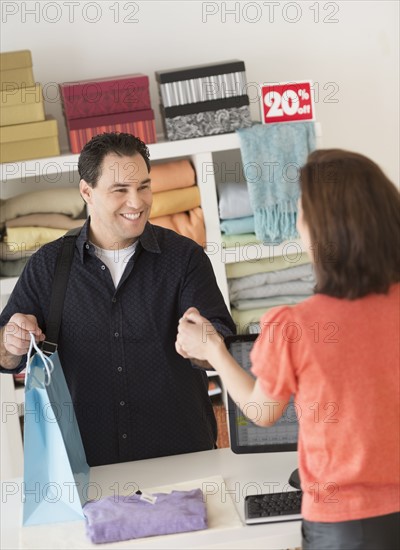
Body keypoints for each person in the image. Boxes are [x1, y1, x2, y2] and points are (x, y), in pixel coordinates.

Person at [176, 149, 400, 550]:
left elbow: (263, 411)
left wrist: (214, 350)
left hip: (346, 524)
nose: (298, 226)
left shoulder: (297, 325)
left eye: (300, 213)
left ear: (323, 229)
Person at [0, 132, 236, 467]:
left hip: (183, 459)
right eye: (120, 190)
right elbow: (4, 355)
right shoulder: (48, 265)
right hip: (85, 469)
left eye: (143, 186)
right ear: (87, 192)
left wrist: (206, 345)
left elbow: (222, 346)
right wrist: (11, 342)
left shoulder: (185, 258)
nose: (137, 202)